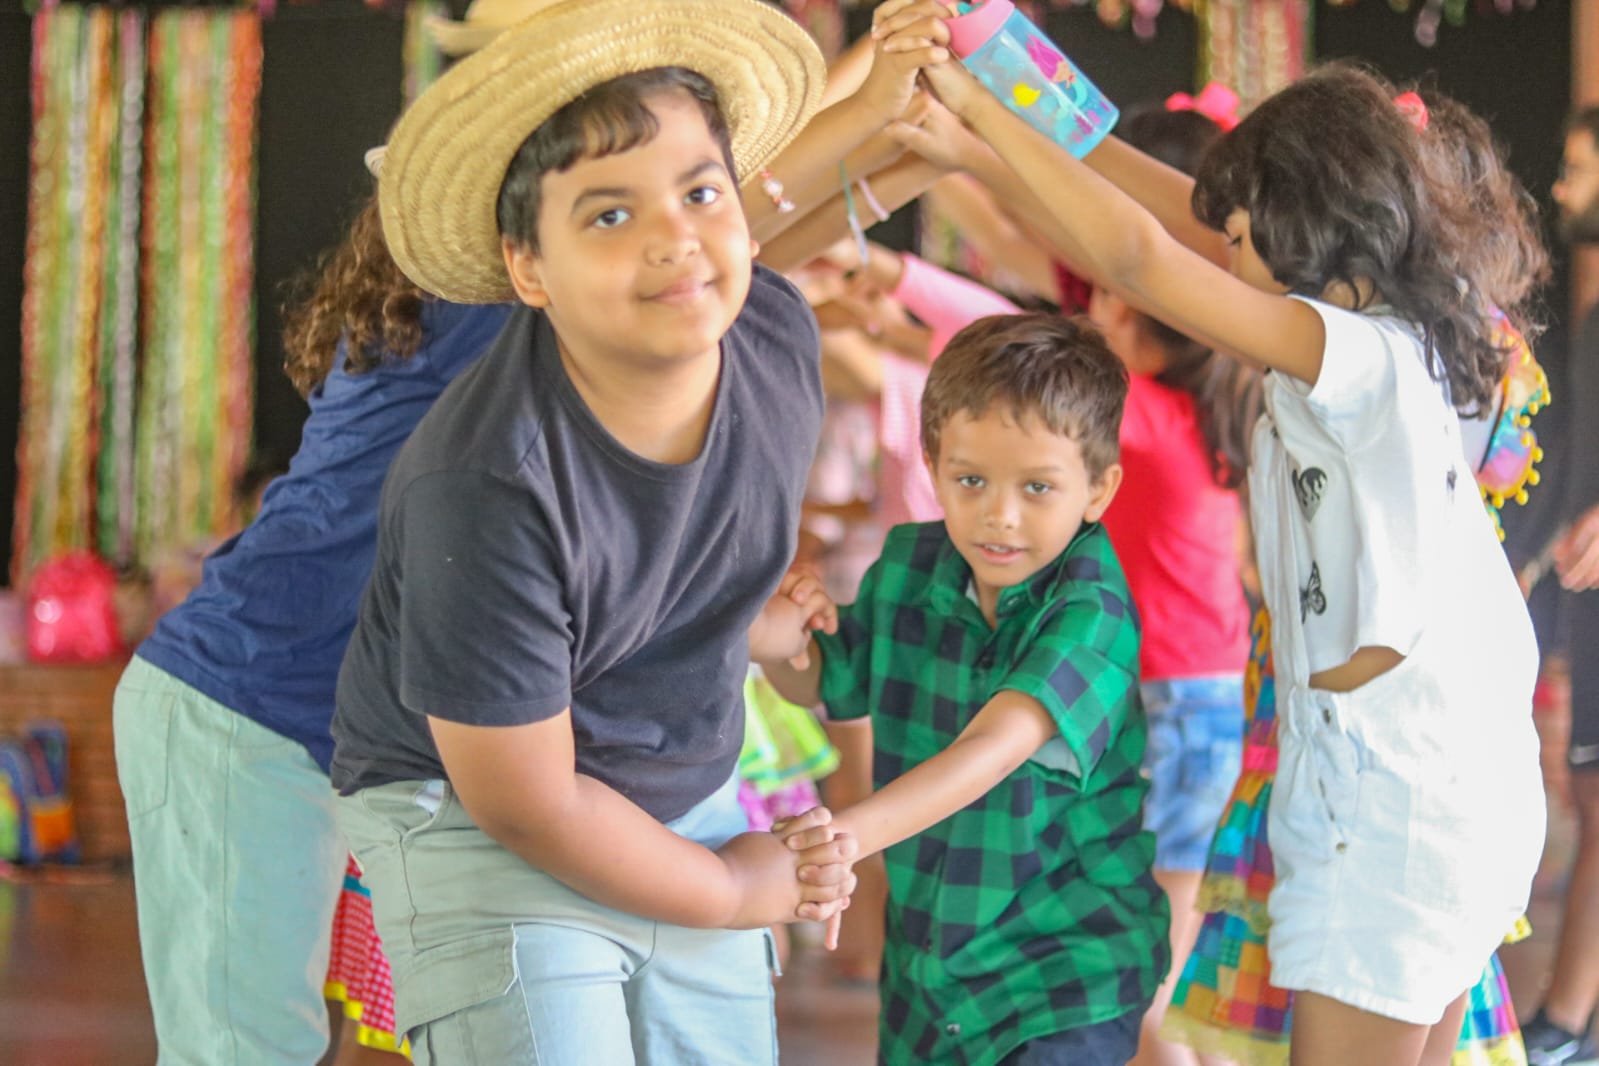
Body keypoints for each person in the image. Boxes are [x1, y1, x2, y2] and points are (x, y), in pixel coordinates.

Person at [888, 4, 1547, 1060]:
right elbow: (1149, 195)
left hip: (1393, 802)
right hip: (1431, 782)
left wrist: (974, 114)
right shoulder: (1394, 332)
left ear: (1307, 229)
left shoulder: (1357, 356)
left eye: (1241, 237)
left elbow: (1141, 255)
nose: (1221, 253)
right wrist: (991, 51)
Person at [325, 0, 972, 1058]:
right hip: (477, 810)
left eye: (700, 193)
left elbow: (637, 577)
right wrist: (728, 889)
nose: (673, 237)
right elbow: (528, 804)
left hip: (672, 771)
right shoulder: (485, 482)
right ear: (528, 268)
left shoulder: (770, 337)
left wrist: (742, 624)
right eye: (607, 216)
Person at [111, 189, 514, 1064]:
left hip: (308, 721)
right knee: (247, 1047)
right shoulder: (476, 314)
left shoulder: (445, 319)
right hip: (241, 709)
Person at [763, 312, 1170, 1065]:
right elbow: (821, 679)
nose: (999, 516)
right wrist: (783, 635)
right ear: (931, 463)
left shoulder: (1092, 610)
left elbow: (993, 749)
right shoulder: (907, 563)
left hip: (1063, 968)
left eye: (1037, 487)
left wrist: (843, 839)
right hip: (930, 969)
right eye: (971, 480)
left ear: (1098, 489)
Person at [1521, 103, 1599, 1066]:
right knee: (1586, 788)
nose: (1561, 189)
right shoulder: (1589, 315)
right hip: (1583, 598)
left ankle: (1568, 1023)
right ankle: (1567, 1017)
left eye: (1577, 168)